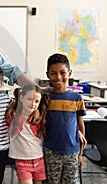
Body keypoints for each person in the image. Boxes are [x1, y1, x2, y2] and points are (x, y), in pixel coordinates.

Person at [43, 53, 86, 183]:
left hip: (72, 152)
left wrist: (80, 154)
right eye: (53, 73)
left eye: (62, 73)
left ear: (70, 73)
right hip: (50, 151)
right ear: (47, 75)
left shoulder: (77, 98)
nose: (58, 77)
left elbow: (80, 125)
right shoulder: (44, 97)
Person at [6, 84, 49, 184]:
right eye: (29, 99)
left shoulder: (40, 118)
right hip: (22, 162)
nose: (33, 103)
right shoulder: (14, 117)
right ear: (21, 98)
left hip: (39, 160)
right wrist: (13, 108)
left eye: (36, 101)